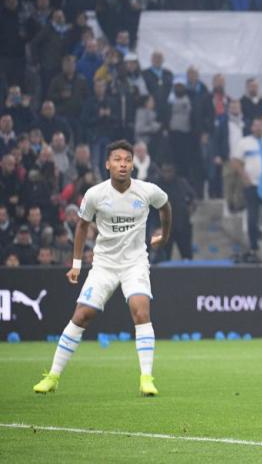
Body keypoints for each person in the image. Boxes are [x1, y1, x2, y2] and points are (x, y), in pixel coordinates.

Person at [33, 140, 171, 396]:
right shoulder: (96, 194)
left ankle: (146, 378)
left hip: (134, 263)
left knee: (140, 310)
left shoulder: (147, 191)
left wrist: (163, 235)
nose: (123, 164)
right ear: (107, 164)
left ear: (132, 164)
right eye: (117, 159)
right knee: (82, 315)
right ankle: (52, 376)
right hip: (104, 264)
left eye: (127, 160)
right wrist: (76, 264)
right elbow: (82, 226)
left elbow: (165, 206)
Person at [230, 118, 262, 256]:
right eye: (256, 126)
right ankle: (254, 245)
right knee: (253, 216)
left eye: (261, 126)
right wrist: (245, 177)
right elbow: (235, 161)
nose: (259, 128)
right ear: (251, 128)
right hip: (252, 185)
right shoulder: (244, 143)